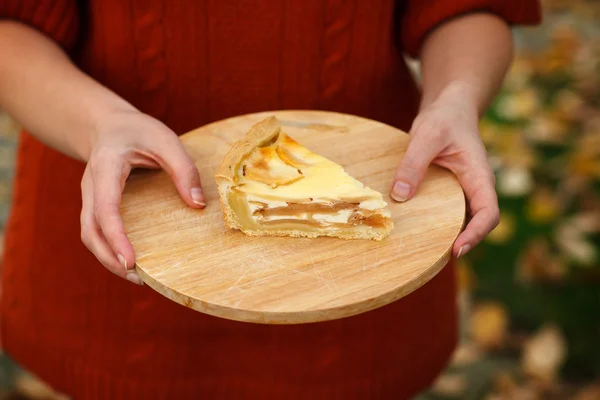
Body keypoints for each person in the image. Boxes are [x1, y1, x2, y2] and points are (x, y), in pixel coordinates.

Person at [0, 1, 540, 398]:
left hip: (370, 263)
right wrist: (101, 125)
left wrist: (457, 96)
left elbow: (474, 8)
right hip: (116, 252)